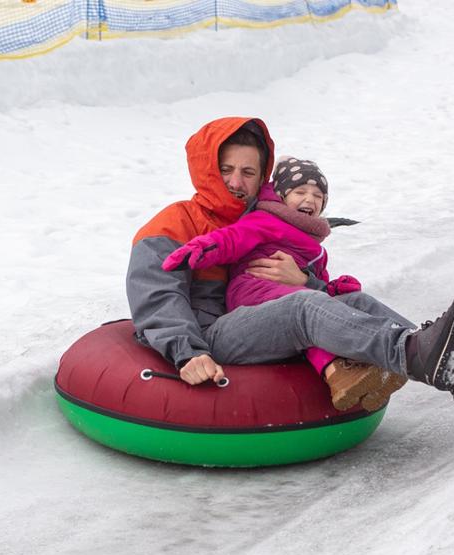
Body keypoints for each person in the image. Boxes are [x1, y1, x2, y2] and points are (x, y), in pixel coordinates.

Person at [126, 117, 454, 409]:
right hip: (210, 334)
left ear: (263, 174)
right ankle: (415, 353)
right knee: (301, 308)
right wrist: (187, 352)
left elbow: (313, 292)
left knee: (355, 301)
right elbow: (157, 297)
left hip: (256, 315)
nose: (236, 182)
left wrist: (304, 279)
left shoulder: (268, 217)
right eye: (226, 169)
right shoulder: (174, 223)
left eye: (249, 171)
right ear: (207, 170)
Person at [160, 155, 407, 411]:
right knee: (307, 307)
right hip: (254, 291)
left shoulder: (315, 246)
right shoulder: (266, 219)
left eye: (318, 195)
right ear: (282, 196)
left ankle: (416, 338)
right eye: (300, 191)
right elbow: (232, 238)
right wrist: (200, 249)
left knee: (357, 301)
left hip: (292, 295)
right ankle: (369, 358)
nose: (310, 199)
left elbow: (321, 292)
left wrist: (324, 286)